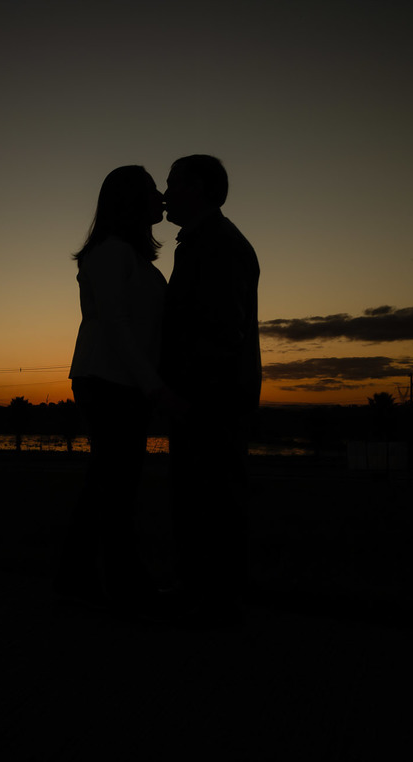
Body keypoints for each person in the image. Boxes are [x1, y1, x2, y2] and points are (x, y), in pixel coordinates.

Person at [58, 165, 175, 607]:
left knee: (105, 485)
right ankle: (126, 586)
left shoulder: (131, 256)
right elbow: (116, 325)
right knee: (117, 487)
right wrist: (154, 386)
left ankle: (77, 578)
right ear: (129, 201)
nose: (161, 195)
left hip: (120, 381)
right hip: (107, 382)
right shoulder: (110, 253)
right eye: (151, 190)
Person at [159, 154, 261, 626]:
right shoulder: (206, 241)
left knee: (211, 497)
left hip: (210, 396)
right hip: (209, 393)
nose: (164, 193)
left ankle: (212, 599)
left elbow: (220, 330)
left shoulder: (216, 244)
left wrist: (186, 393)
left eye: (172, 183)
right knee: (206, 497)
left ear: (196, 187)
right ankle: (205, 592)